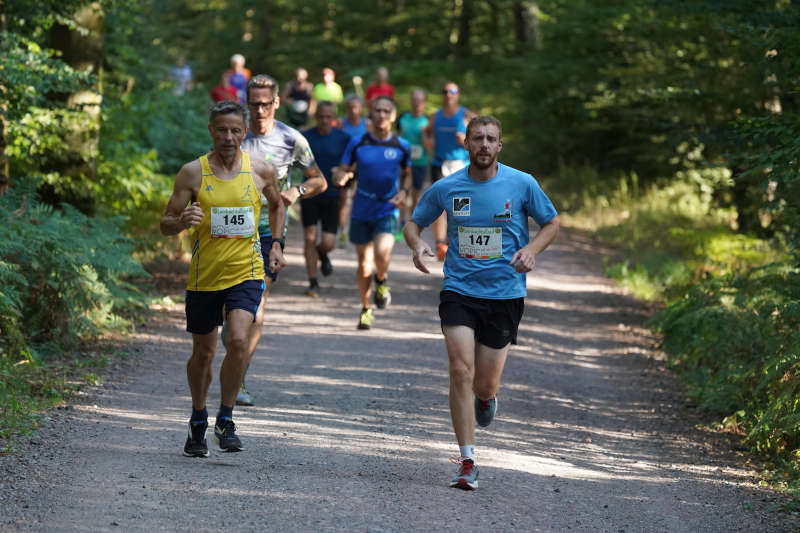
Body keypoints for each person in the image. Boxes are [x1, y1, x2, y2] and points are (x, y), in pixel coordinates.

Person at [404, 116, 559, 490]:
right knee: (460, 369)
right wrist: (417, 244)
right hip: (458, 289)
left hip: (505, 294)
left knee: (484, 385)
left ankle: (487, 400)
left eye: (491, 139)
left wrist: (531, 249)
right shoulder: (448, 187)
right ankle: (467, 459)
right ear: (467, 145)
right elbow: (414, 222)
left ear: (499, 146)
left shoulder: (522, 184)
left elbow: (551, 223)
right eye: (478, 139)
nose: (484, 145)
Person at [159, 100, 287, 457]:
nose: (228, 137)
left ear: (244, 133)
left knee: (240, 340)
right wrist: (182, 221)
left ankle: (226, 418)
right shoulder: (193, 173)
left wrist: (276, 244)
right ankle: (198, 416)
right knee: (203, 354)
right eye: (221, 130)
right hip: (204, 277)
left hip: (246, 271)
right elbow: (165, 222)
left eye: (235, 130)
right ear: (211, 131)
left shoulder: (261, 170)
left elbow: (277, 205)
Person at [234, 74, 327, 406]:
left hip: (266, 231)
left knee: (256, 306)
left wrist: (296, 190)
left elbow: (319, 181)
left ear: (276, 103)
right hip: (228, 230)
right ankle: (234, 352)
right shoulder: (234, 135)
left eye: (265, 103)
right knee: (230, 309)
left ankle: (239, 377)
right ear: (247, 103)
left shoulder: (291, 139)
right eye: (254, 103)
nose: (259, 110)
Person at [333, 96, 411, 330]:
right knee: (364, 263)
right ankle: (366, 308)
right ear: (371, 114)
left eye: (386, 111)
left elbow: (408, 173)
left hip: (387, 208)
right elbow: (343, 169)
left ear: (393, 116)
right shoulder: (358, 143)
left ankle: (382, 280)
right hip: (361, 208)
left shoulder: (401, 146)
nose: (381, 115)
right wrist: (341, 176)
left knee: (381, 252)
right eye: (377, 110)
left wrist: (405, 192)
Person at [300, 102, 351, 297]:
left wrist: (344, 175)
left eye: (328, 117)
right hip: (310, 194)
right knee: (310, 238)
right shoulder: (306, 137)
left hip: (333, 196)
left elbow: (351, 164)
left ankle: (323, 254)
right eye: (321, 116)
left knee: (328, 242)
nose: (324, 120)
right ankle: (313, 281)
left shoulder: (344, 138)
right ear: (316, 117)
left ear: (334, 118)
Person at [423, 81, 474, 260]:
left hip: (460, 165)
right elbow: (426, 132)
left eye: (452, 91)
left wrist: (467, 140)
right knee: (440, 206)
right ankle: (440, 245)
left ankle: (456, 242)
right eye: (445, 91)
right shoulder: (436, 116)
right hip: (439, 163)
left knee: (459, 207)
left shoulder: (466, 115)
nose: (448, 95)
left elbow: (482, 137)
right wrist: (427, 141)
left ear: (458, 94)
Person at [337, 94, 370, 247]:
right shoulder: (341, 123)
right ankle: (342, 231)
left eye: (356, 107)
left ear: (361, 108)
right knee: (343, 200)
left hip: (362, 167)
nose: (353, 110)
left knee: (359, 199)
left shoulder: (367, 124)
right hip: (345, 166)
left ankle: (360, 232)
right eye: (350, 107)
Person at [396, 89, 430, 231]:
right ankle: (401, 223)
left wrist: (424, 134)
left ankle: (412, 224)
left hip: (420, 162)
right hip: (404, 162)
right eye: (415, 100)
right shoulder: (403, 118)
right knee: (403, 192)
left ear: (424, 103)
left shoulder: (428, 121)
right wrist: (400, 135)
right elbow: (394, 139)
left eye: (420, 101)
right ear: (411, 101)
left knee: (416, 196)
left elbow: (429, 145)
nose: (417, 103)